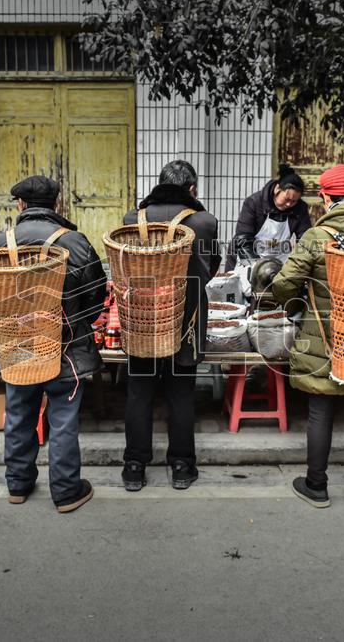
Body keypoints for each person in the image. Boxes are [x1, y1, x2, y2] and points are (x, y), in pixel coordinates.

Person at [271, 164, 344, 509]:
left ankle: (316, 485)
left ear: (325, 198)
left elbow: (285, 284)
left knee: (321, 408)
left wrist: (291, 299)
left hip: (325, 337)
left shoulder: (317, 238)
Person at [0, 175, 107, 513]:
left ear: (21, 206)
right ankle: (67, 491)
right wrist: (76, 321)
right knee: (63, 419)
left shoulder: (1, 240)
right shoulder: (74, 241)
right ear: (56, 204)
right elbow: (96, 294)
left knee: (18, 415)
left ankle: (18, 484)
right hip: (66, 347)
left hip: (18, 346)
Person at [121, 160, 221, 491]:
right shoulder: (204, 222)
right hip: (186, 322)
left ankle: (134, 467)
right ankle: (181, 466)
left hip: (143, 319)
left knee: (139, 394)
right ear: (191, 189)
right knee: (181, 394)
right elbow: (212, 265)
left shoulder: (132, 220)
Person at [226, 163, 310, 269]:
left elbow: (305, 239)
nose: (289, 204)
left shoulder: (300, 208)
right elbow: (243, 239)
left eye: (294, 201)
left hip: (279, 259)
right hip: (248, 257)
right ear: (277, 189)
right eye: (287, 199)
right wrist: (258, 268)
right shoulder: (254, 203)